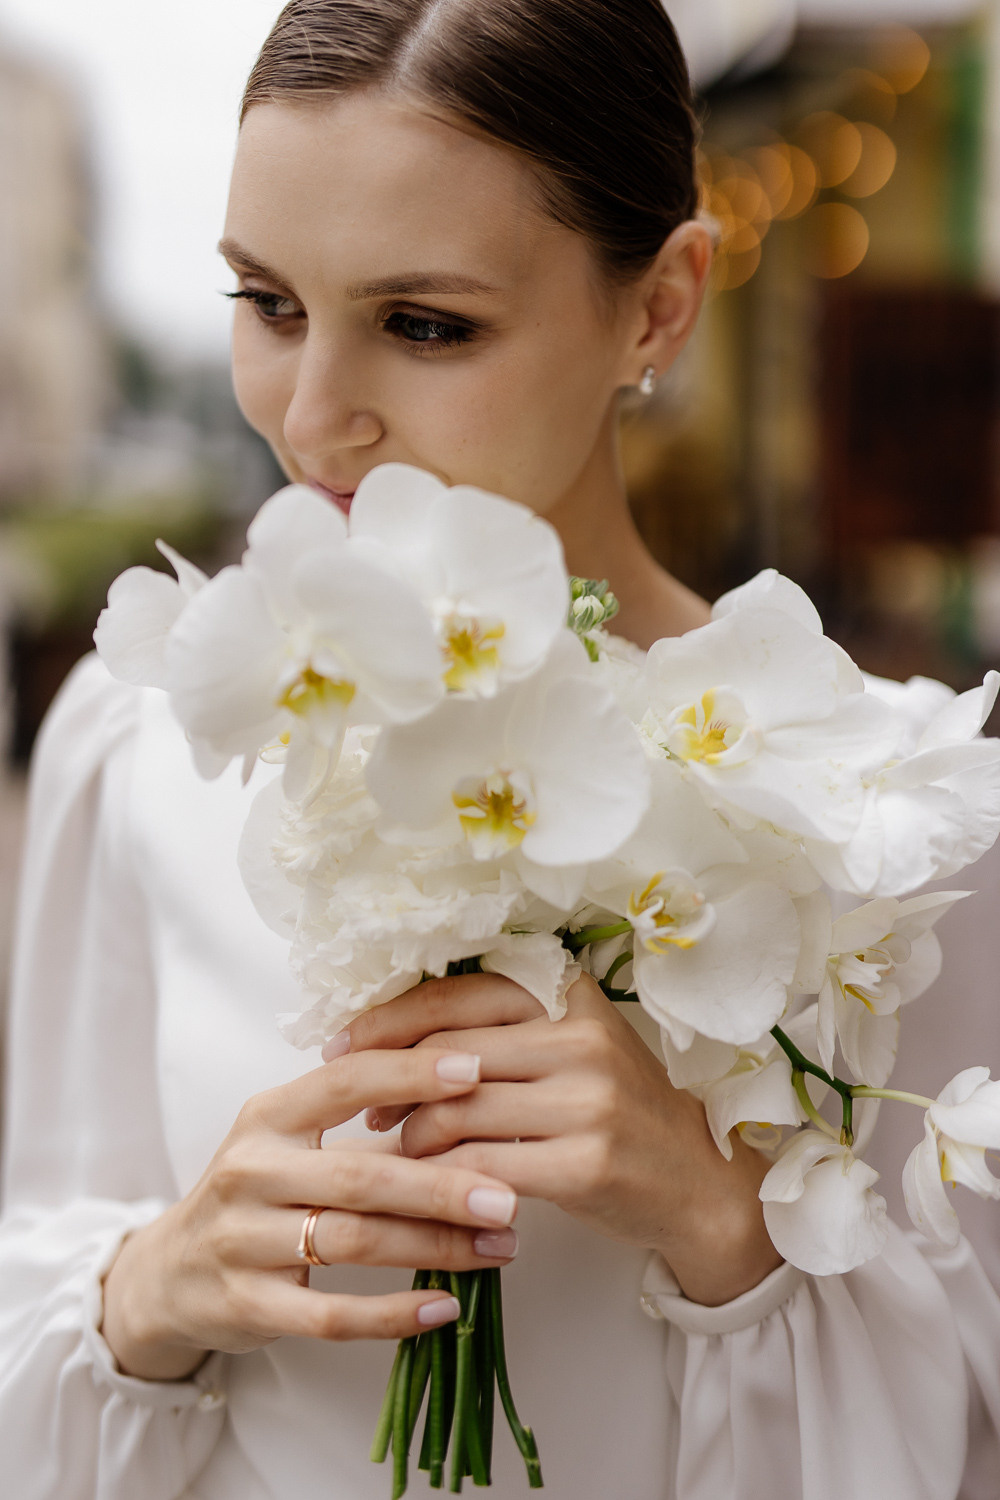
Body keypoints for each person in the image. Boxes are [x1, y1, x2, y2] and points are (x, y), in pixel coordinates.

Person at [1, 2, 999, 1496]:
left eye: (424, 324)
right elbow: (46, 1251)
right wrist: (148, 1292)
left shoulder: (885, 808)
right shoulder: (150, 736)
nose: (315, 417)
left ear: (659, 307)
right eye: (265, 302)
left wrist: (721, 1221)